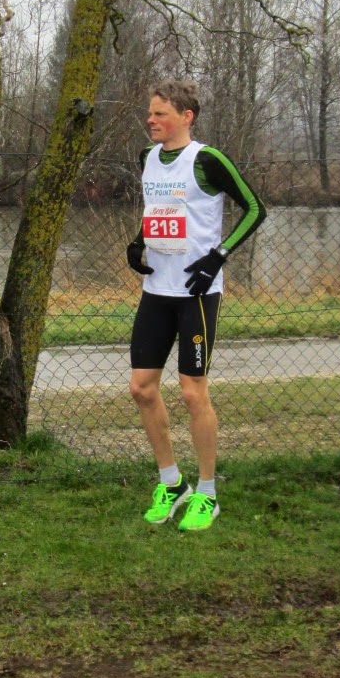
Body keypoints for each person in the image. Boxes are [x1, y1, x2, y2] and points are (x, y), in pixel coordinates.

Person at [126, 80, 265, 532]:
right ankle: (172, 484)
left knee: (191, 392)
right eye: (150, 113)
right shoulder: (148, 158)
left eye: (160, 114)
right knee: (141, 388)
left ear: (186, 117)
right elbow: (158, 208)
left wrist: (218, 256)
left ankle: (207, 493)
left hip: (197, 293)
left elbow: (254, 209)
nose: (151, 120)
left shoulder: (207, 160)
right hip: (156, 289)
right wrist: (138, 242)